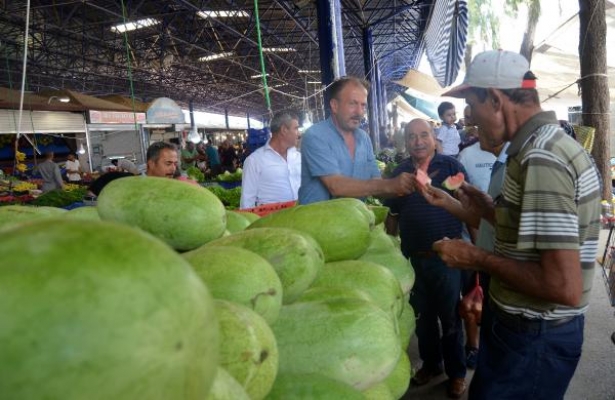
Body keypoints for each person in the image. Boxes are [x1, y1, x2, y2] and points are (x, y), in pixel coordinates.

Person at [429, 50, 602, 399]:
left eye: (473, 109)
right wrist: (493, 211)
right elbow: (536, 236)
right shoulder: (537, 149)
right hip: (524, 333)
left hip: (533, 337)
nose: (471, 122)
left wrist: (474, 258)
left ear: (495, 99)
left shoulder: (542, 157)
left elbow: (563, 286)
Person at [384, 118, 468, 399]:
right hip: (412, 260)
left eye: (423, 135)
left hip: (447, 258)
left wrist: (477, 253)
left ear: (434, 138)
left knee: (451, 318)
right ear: (405, 142)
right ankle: (432, 365)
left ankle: (457, 373)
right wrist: (388, 249)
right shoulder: (400, 173)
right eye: (411, 137)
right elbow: (392, 216)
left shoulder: (451, 167)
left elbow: (468, 207)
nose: (418, 141)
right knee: (423, 319)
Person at [298, 76, 413, 204]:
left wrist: (409, 185)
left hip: (355, 221)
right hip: (317, 222)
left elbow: (377, 184)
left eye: (363, 105)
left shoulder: (364, 139)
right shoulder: (315, 135)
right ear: (335, 106)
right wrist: (389, 185)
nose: (359, 112)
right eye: (352, 103)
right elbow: (336, 186)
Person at [240, 111, 302, 209]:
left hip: (301, 216)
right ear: (284, 130)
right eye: (296, 128)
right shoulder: (254, 161)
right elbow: (247, 201)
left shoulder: (299, 157)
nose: (299, 133)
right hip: (272, 220)